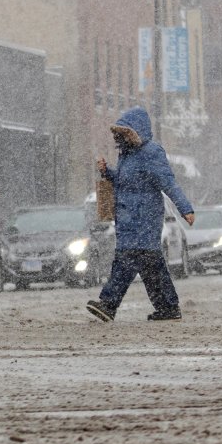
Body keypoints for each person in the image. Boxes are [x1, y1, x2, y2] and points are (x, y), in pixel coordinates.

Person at [86, 106, 195, 322]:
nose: (119, 138)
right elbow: (125, 181)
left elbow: (168, 182)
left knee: (126, 261)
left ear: (136, 132)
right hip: (128, 219)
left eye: (124, 133)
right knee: (150, 264)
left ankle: (108, 305)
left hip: (144, 219)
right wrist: (107, 172)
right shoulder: (127, 156)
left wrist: (185, 209)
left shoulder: (151, 153)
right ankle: (168, 307)